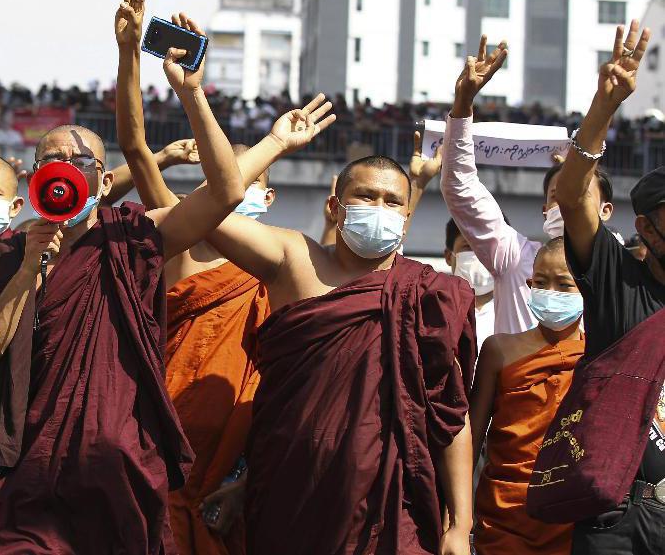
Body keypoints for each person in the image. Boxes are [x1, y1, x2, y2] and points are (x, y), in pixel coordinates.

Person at [0, 8, 247, 554]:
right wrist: (27, 271)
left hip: (116, 467)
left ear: (104, 178)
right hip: (29, 469)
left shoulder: (132, 236)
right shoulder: (9, 251)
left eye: (79, 157)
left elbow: (227, 191)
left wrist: (191, 95)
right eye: (51, 157)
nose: (65, 163)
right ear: (33, 175)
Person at [203, 102, 476, 554]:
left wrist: (460, 526)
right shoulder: (295, 260)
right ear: (336, 205)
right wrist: (272, 144)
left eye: (392, 202)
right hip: (289, 494)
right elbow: (210, 212)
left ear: (407, 218)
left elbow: (451, 414)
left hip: (389, 507)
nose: (379, 208)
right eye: (366, 196)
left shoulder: (427, 295)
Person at [107, 0, 267, 554]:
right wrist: (131, 55)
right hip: (154, 454)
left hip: (234, 471)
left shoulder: (281, 266)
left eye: (255, 184)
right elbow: (132, 145)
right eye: (231, 180)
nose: (240, 192)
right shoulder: (178, 230)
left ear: (267, 199)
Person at [554, 19, 665, 552]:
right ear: (646, 227)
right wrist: (604, 108)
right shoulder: (618, 280)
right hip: (618, 517)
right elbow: (573, 196)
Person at [441, 36, 615, 335]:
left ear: (606, 210)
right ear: (545, 209)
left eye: (580, 192)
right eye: (558, 195)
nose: (569, 201)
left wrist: (607, 106)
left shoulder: (619, 270)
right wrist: (463, 105)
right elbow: (460, 187)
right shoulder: (514, 255)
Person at [469, 237, 584, 555]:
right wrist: (457, 514)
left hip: (569, 514)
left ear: (586, 290)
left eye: (564, 285)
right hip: (504, 513)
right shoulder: (499, 350)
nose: (552, 294)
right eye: (542, 283)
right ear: (530, 285)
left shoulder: (596, 355)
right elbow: (472, 438)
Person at [446, 218, 496, 349]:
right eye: (468, 246)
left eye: (487, 247)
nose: (479, 254)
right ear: (448, 256)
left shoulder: (519, 310)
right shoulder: (432, 309)